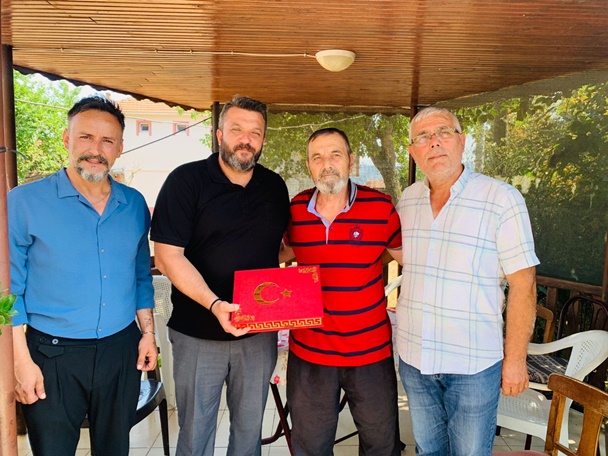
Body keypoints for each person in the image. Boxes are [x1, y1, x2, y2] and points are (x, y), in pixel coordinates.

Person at [9, 95, 157, 456]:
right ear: (66, 139)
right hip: (51, 356)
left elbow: (141, 276)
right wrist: (19, 361)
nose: (96, 150)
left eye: (107, 141)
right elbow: (6, 290)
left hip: (121, 352)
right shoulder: (23, 202)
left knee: (115, 449)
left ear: (120, 148)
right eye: (86, 137)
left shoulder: (134, 204)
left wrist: (148, 334)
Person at [151, 95, 290, 456]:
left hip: (258, 334)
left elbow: (281, 249)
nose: (246, 139)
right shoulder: (186, 181)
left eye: (255, 133)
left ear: (263, 139)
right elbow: (167, 256)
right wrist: (215, 305)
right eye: (237, 129)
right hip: (198, 334)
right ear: (219, 134)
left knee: (248, 434)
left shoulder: (274, 186)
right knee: (196, 434)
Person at [395, 107, 540, 456]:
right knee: (428, 451)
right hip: (415, 358)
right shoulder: (407, 200)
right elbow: (399, 255)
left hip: (473, 365)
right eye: (423, 137)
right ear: (413, 151)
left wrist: (515, 360)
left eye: (443, 132)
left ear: (462, 141)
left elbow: (524, 285)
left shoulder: (501, 198)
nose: (434, 142)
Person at [280, 127, 403, 456]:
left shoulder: (381, 207)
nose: (327, 164)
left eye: (335, 155)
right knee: (310, 448)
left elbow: (407, 258)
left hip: (370, 352)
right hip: (310, 353)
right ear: (309, 166)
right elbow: (280, 253)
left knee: (381, 445)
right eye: (317, 157)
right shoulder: (296, 209)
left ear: (351, 160)